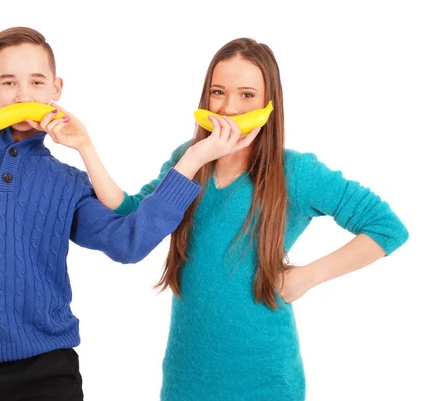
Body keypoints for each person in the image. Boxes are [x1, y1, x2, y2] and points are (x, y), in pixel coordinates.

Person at [0, 26, 243, 401]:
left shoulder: (68, 182)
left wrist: (191, 160)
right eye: (8, 82)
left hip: (47, 374)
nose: (22, 93)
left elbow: (130, 243)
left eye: (36, 82)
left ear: (56, 89)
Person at [53, 37, 410, 400]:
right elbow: (132, 212)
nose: (228, 108)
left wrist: (308, 276)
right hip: (186, 380)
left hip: (266, 383)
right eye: (218, 92)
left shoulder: (296, 172)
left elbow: (387, 228)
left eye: (247, 95)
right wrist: (85, 146)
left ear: (269, 104)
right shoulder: (187, 159)